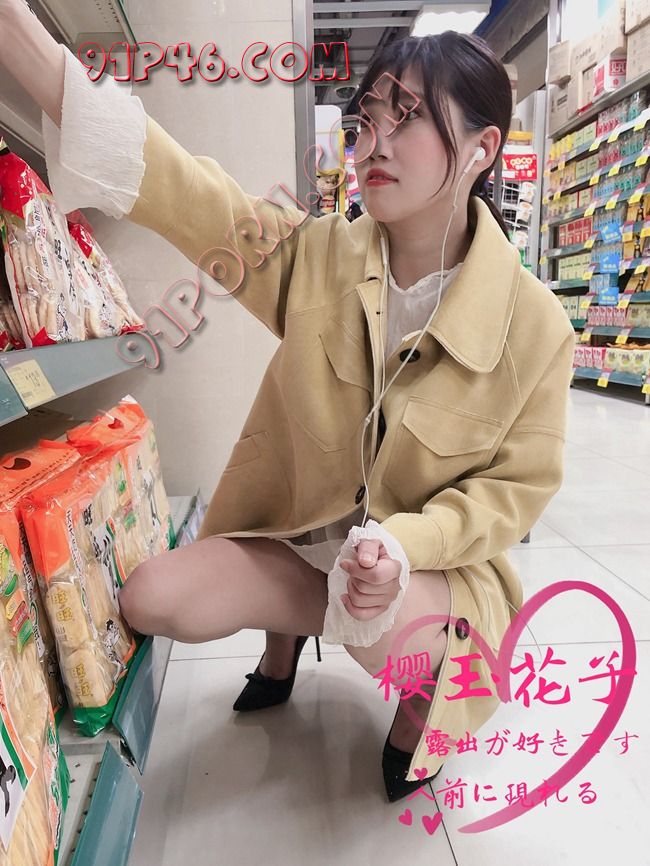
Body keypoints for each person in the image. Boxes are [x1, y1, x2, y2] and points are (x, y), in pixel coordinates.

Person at [0, 4, 575, 804]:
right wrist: (28, 49)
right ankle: (294, 632)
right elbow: (190, 193)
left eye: (408, 117)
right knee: (151, 599)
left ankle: (421, 702)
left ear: (481, 149)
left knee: (383, 619)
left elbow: (511, 493)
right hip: (307, 547)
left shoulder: (536, 323)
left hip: (430, 573)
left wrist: (402, 546)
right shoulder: (320, 257)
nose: (374, 142)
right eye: (369, 117)